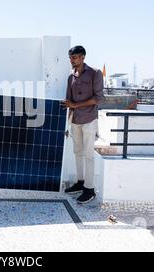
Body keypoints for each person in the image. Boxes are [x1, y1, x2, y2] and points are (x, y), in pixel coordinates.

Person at [62, 45, 104, 204]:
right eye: (70, 58)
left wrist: (75, 105)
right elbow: (69, 102)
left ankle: (90, 189)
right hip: (75, 121)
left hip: (89, 120)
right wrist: (67, 121)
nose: (72, 61)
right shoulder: (70, 77)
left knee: (88, 156)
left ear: (83, 57)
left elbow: (98, 98)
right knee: (77, 153)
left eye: (74, 57)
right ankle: (80, 183)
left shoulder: (95, 73)